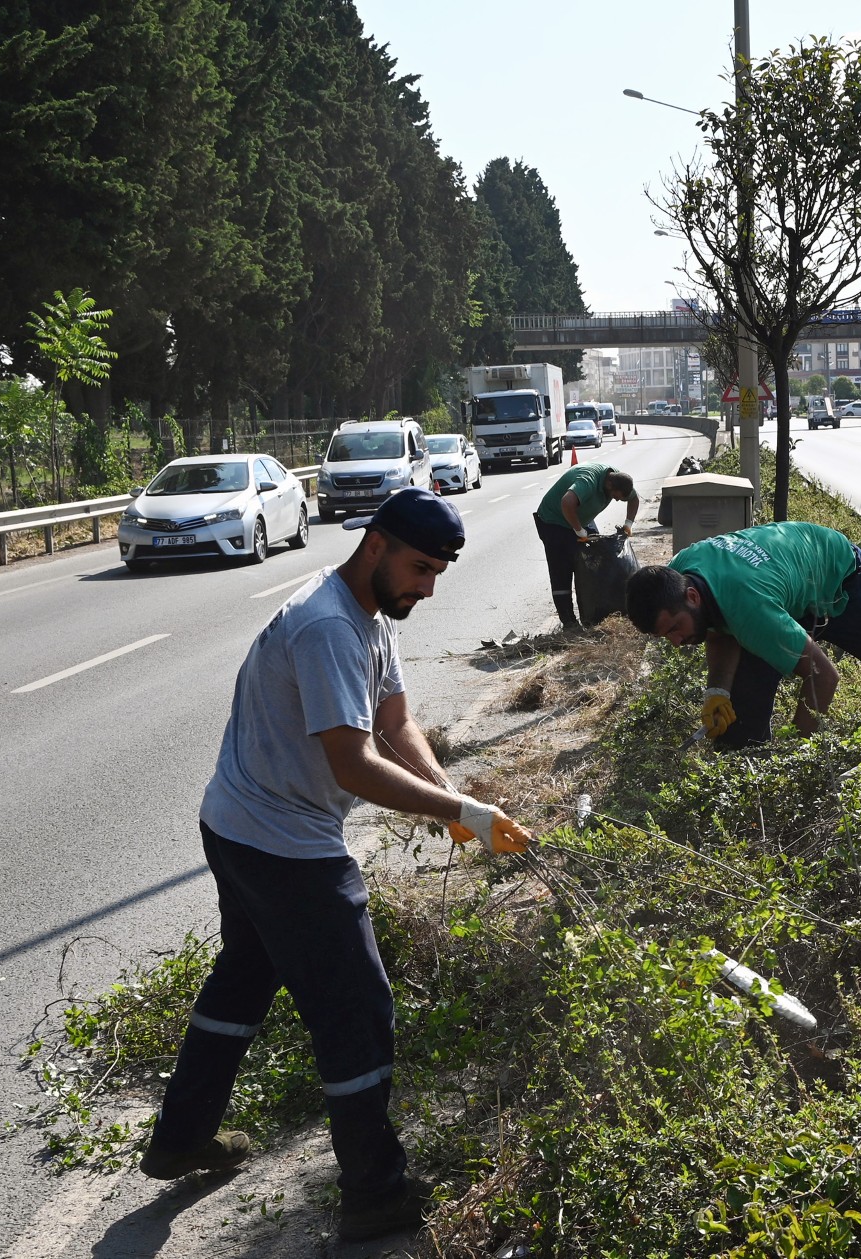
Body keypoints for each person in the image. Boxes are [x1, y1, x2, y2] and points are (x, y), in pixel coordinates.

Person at [140, 488, 529, 1243]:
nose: (429, 586)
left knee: (246, 973)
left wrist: (448, 795)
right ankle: (374, 1190)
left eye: (441, 571)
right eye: (421, 567)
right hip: (282, 841)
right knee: (357, 1007)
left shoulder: (366, 614)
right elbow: (353, 763)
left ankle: (182, 1135)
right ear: (377, 545)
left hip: (237, 820)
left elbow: (395, 721)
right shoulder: (327, 628)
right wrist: (460, 814)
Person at [625, 522, 861, 747]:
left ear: (692, 596)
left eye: (674, 628)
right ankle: (747, 758)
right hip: (776, 589)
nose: (676, 642)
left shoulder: (750, 610)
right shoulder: (679, 572)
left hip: (838, 572)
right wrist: (717, 692)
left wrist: (793, 756)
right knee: (739, 728)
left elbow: (823, 676)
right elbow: (719, 629)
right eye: (666, 637)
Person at [535, 463, 638, 628]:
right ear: (609, 485)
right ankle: (569, 622)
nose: (617, 499)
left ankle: (596, 614)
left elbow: (634, 499)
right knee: (562, 570)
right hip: (554, 521)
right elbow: (567, 503)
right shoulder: (587, 481)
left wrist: (628, 524)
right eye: (615, 496)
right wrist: (579, 530)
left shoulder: (619, 480)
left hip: (581, 518)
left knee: (595, 560)